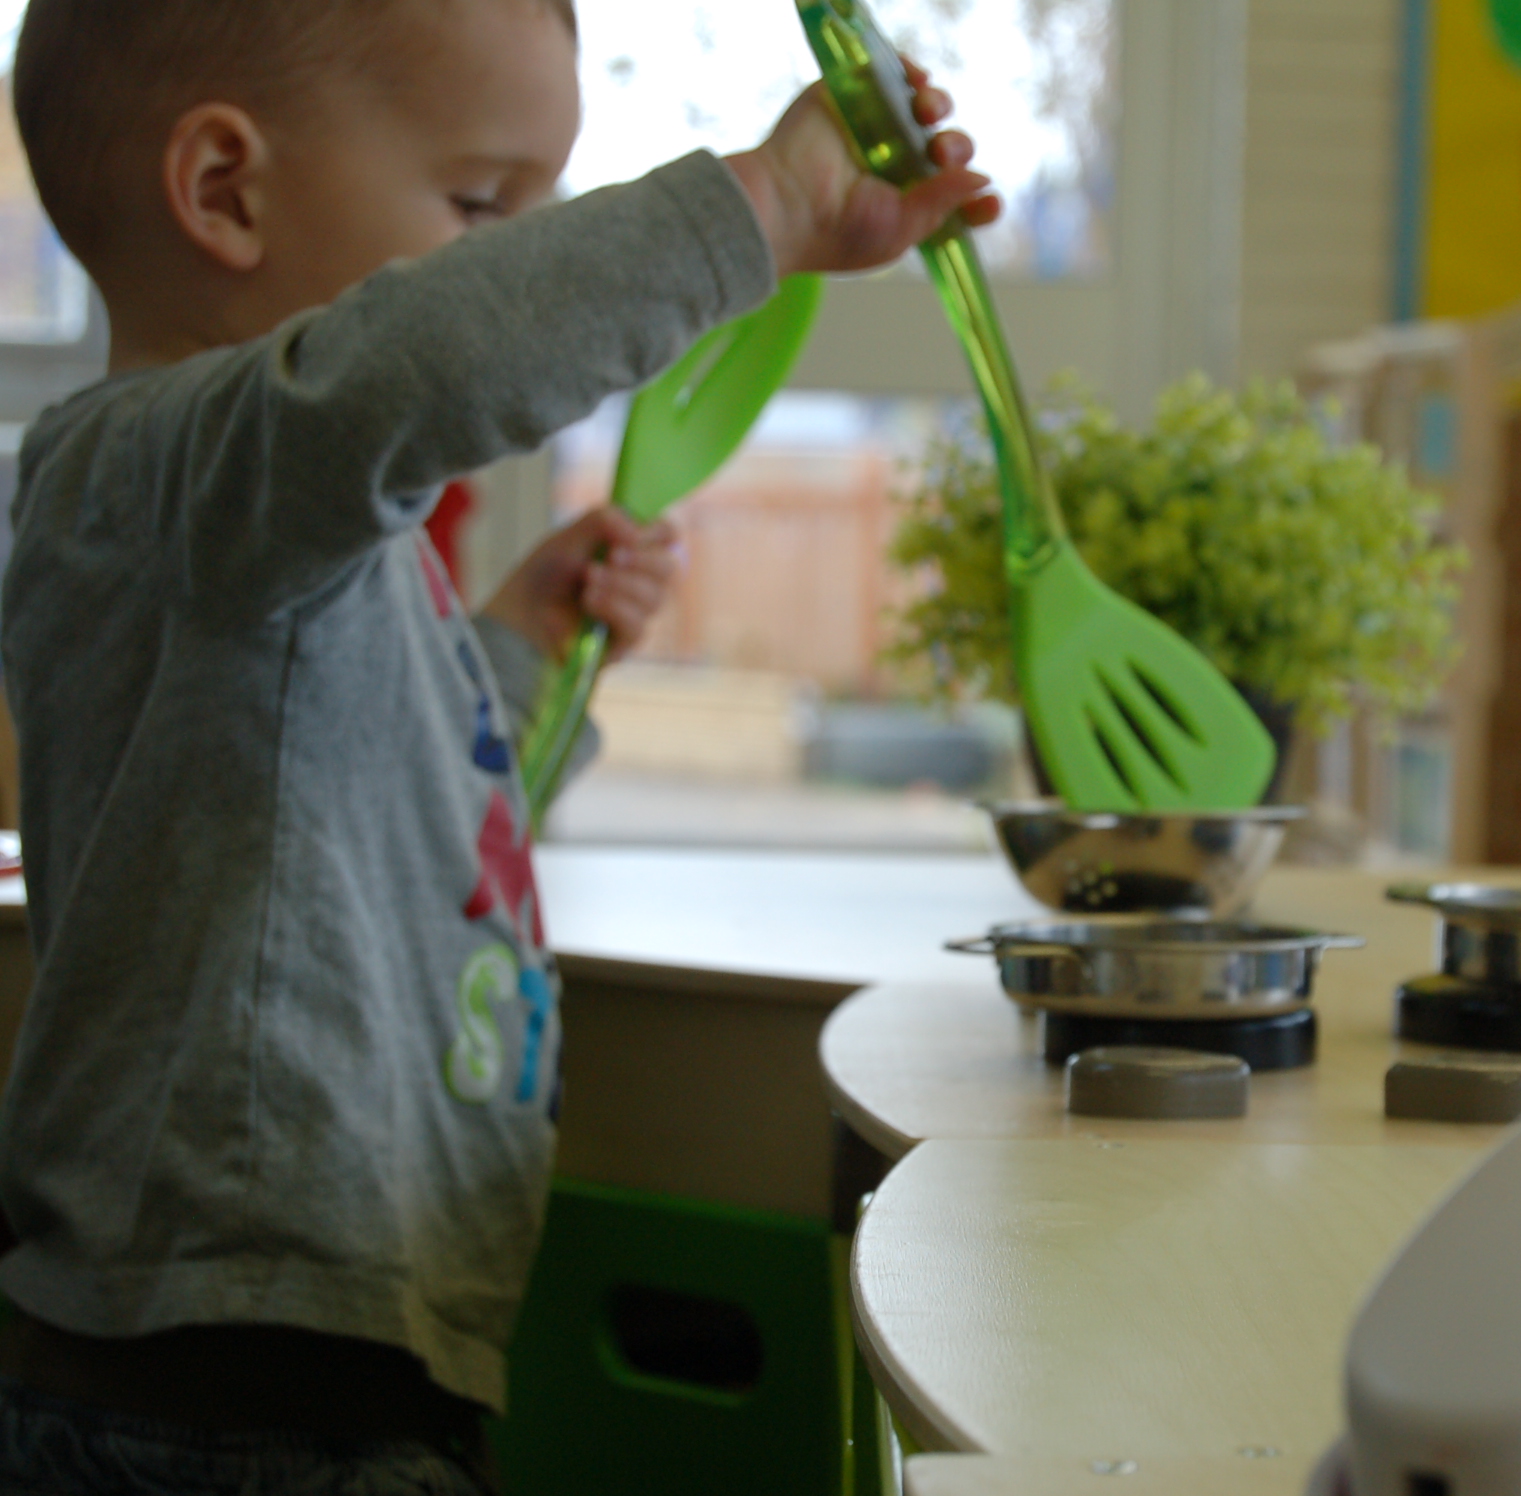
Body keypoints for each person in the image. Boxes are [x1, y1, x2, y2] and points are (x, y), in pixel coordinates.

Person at [0, 1, 999, 1491]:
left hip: (326, 1379)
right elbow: (428, 363)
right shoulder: (149, 471)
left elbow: (392, 800)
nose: (518, 255)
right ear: (224, 191)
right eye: (482, 205)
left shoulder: (271, 532)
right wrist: (766, 205)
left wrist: (520, 646)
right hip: (221, 1404)